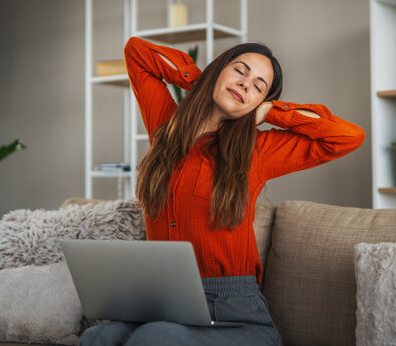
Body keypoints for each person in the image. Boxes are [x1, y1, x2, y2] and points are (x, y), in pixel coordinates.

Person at [78, 36, 365, 346]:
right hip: (166, 300)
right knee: (99, 336)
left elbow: (348, 136)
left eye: (258, 87)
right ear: (218, 70)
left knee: (157, 337)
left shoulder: (258, 150)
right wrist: (203, 81)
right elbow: (137, 52)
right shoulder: (166, 129)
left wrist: (271, 112)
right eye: (239, 71)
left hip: (235, 311)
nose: (245, 85)